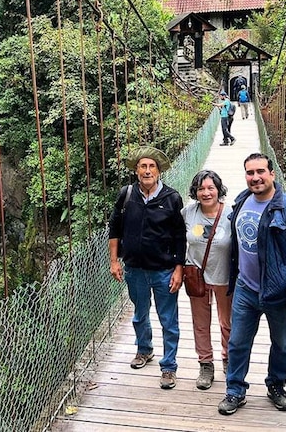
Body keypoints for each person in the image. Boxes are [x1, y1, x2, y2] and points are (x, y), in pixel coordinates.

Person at [218, 153, 286, 416]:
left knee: (282, 343)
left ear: (272, 174)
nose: (255, 177)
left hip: (279, 291)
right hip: (245, 289)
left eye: (261, 171)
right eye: (250, 173)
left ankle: (276, 386)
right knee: (237, 342)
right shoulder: (241, 201)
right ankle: (235, 390)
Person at [109, 146, 187, 390]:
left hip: (164, 270)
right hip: (135, 269)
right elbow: (115, 230)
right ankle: (144, 350)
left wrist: (179, 269)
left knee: (168, 320)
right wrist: (113, 261)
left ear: (159, 170)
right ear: (136, 170)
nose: (147, 170)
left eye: (152, 166)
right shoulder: (126, 194)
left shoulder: (172, 198)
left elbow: (180, 236)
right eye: (143, 166)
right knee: (139, 314)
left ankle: (169, 367)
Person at [181, 170, 232, 390]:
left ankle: (229, 360)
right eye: (201, 188)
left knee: (227, 323)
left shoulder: (231, 214)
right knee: (200, 323)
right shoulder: (187, 213)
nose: (206, 192)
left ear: (219, 190)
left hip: (224, 275)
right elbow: (173, 239)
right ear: (195, 192)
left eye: (210, 188)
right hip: (196, 275)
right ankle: (205, 364)